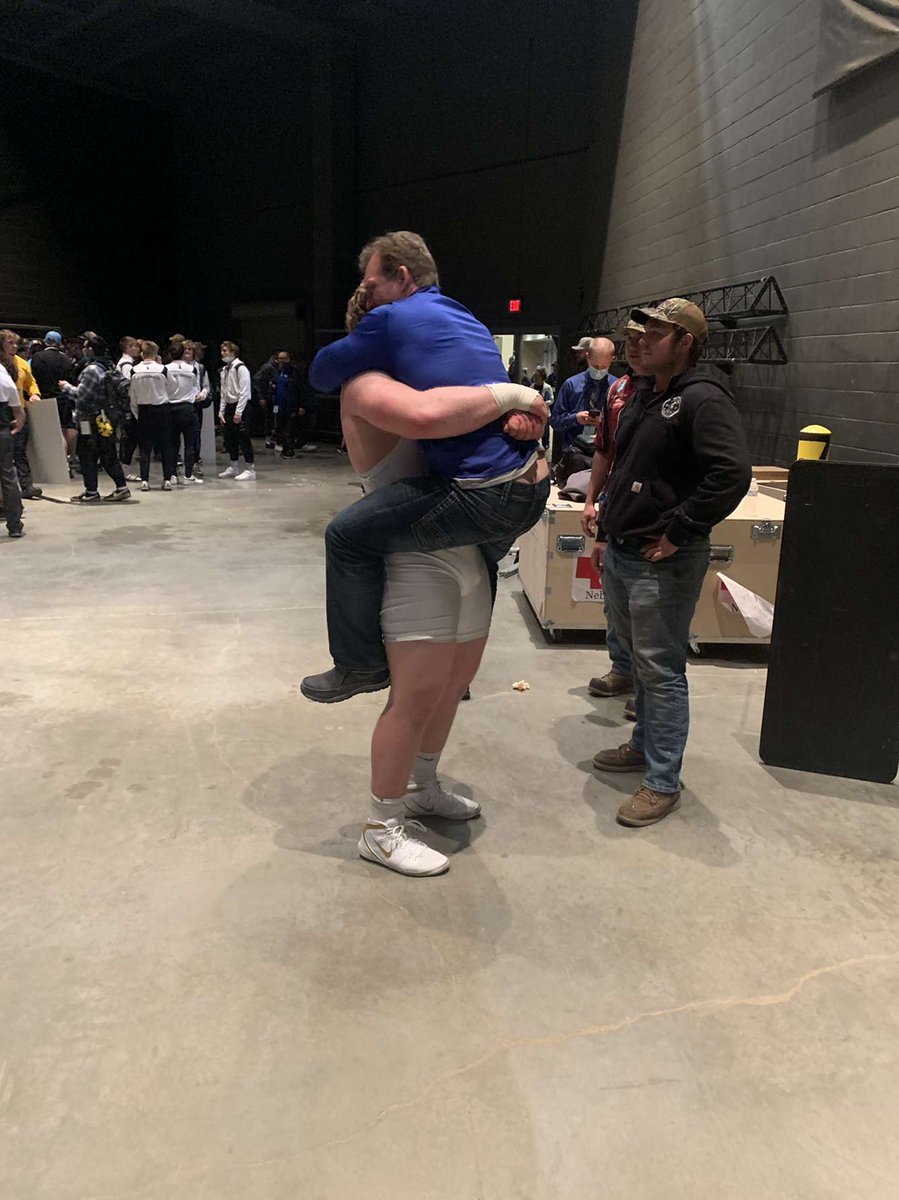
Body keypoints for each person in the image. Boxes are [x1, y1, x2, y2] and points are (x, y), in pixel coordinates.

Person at [340, 286, 547, 875]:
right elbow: (429, 420)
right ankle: (381, 825)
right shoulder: (367, 386)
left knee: (454, 683)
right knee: (415, 696)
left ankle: (422, 785)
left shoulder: (431, 382)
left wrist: (520, 424)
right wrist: (512, 398)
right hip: (414, 558)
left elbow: (479, 423)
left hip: (464, 551)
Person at [301, 230, 550, 704]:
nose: (367, 294)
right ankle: (461, 674)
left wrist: (370, 342)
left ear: (401, 276)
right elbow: (489, 393)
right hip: (531, 484)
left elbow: (322, 373)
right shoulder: (466, 318)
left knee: (346, 536)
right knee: (480, 559)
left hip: (482, 494)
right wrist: (519, 410)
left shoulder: (389, 321)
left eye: (371, 284)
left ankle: (359, 664)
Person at [591, 299, 751, 827]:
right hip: (624, 549)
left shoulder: (703, 399)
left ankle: (662, 782)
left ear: (686, 343)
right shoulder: (641, 393)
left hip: (660, 561)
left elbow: (730, 474)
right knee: (639, 662)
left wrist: (680, 530)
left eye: (653, 335)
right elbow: (625, 463)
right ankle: (642, 746)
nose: (637, 343)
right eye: (634, 335)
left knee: (661, 672)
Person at [581, 318, 647, 719]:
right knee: (616, 603)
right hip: (617, 508)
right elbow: (605, 449)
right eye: (632, 343)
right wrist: (591, 500)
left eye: (647, 341)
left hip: (656, 521)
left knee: (647, 614)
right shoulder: (620, 390)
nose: (637, 348)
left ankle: (646, 686)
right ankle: (622, 669)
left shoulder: (683, 395)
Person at [59, 334, 131, 504]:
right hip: (105, 418)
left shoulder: (91, 370)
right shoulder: (108, 366)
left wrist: (66, 387)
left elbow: (81, 395)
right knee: (108, 453)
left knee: (87, 455)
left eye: (85, 346)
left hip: (89, 420)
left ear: (90, 349)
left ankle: (91, 491)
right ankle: (121, 487)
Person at [550, 336, 617, 453]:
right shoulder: (571, 385)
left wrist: (605, 423)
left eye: (604, 367)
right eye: (595, 366)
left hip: (604, 453)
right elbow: (555, 421)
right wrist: (575, 418)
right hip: (574, 452)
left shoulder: (617, 387)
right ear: (587, 357)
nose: (598, 370)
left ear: (612, 360)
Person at [129, 340, 176, 491]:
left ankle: (144, 480)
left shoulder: (134, 370)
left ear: (142, 354)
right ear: (156, 354)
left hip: (144, 410)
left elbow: (133, 395)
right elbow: (172, 388)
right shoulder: (163, 370)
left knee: (144, 448)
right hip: (161, 410)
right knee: (165, 446)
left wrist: (137, 413)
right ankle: (167, 479)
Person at [0, 331, 42, 499]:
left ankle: (26, 485)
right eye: (10, 343)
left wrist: (34, 394)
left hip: (19, 411)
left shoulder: (22, 363)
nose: (15, 347)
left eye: (16, 343)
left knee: (20, 451)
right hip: (3, 411)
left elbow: (31, 382)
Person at [31, 330, 77, 464]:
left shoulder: (38, 357)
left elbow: (34, 378)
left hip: (46, 399)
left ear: (46, 341)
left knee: (56, 432)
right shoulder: (66, 359)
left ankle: (61, 464)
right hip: (64, 398)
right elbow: (71, 380)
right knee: (69, 427)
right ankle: (71, 457)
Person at [218, 341, 256, 481]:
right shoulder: (224, 370)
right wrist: (221, 411)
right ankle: (233, 466)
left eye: (226, 351)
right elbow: (223, 391)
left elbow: (244, 391)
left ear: (233, 352)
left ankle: (250, 468)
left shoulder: (241, 368)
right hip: (229, 405)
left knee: (243, 438)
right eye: (222, 351)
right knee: (230, 438)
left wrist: (239, 412)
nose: (223, 354)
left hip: (241, 406)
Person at [165, 339, 202, 484]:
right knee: (190, 443)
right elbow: (194, 387)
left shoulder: (165, 369)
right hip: (187, 408)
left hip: (171, 408)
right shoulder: (191, 369)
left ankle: (173, 474)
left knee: (172, 444)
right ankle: (188, 475)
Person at [0, 361, 25, 537]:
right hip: (1, 432)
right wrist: (19, 423)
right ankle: (14, 525)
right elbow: (18, 410)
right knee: (8, 476)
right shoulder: (3, 375)